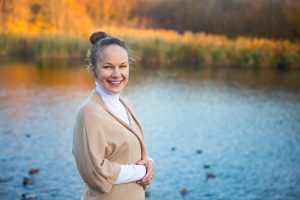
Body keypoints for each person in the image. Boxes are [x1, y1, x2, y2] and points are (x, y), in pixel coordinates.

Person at [72, 31, 155, 200]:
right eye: (108, 67)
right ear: (93, 70)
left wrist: (150, 162)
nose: (117, 74)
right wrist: (140, 171)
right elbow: (95, 172)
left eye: (123, 66)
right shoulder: (89, 112)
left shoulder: (126, 104)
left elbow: (126, 151)